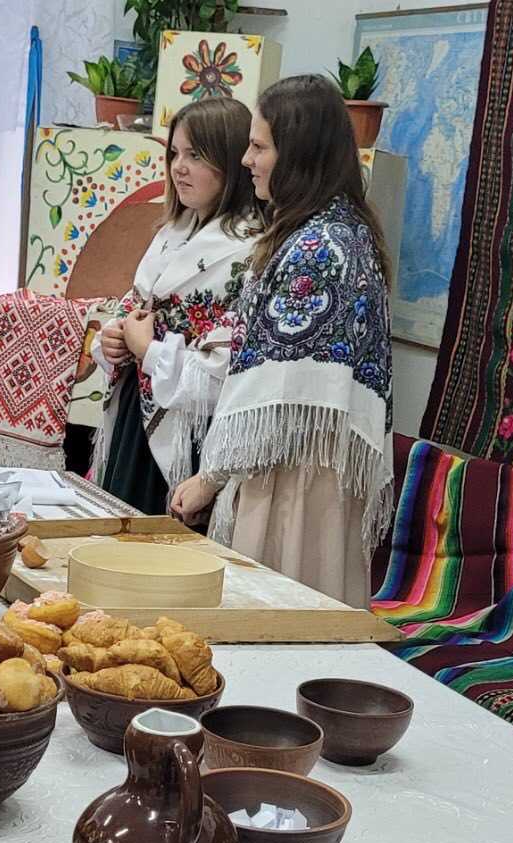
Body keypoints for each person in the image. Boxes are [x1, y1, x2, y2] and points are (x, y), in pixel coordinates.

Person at [169, 75, 394, 608]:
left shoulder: (317, 249)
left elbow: (276, 395)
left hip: (291, 481)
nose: (247, 160)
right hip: (310, 468)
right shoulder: (339, 229)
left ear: (298, 154)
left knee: (277, 607)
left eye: (259, 146)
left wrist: (209, 479)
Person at [87, 97, 261, 517]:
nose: (178, 167)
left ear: (230, 160)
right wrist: (112, 339)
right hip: (135, 410)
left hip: (186, 429)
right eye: (175, 154)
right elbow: (134, 304)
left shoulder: (251, 247)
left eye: (195, 155)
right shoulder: (172, 230)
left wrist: (148, 350)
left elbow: (229, 367)